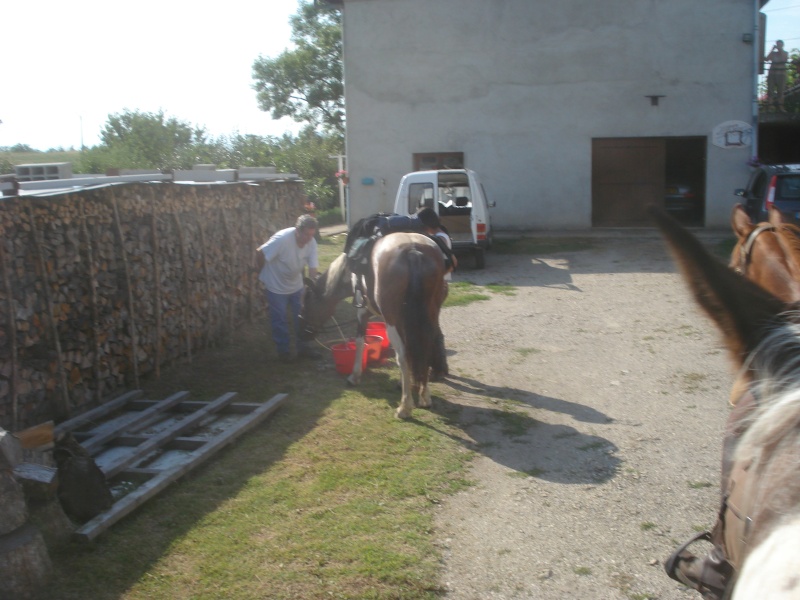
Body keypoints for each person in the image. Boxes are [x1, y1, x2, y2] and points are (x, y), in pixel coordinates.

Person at [256, 214, 321, 362]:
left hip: (295, 285)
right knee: (279, 319)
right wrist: (262, 273)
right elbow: (260, 252)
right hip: (275, 286)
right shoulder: (282, 239)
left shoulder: (311, 243)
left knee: (302, 317)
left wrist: (311, 286)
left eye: (312, 235)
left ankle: (303, 348)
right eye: (306, 234)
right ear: (297, 230)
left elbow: (313, 268)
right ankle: (283, 352)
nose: (308, 238)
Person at [765, 39, 789, 112]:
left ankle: (781, 107)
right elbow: (767, 59)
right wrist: (772, 50)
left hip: (781, 74)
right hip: (772, 73)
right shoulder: (773, 53)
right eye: (777, 44)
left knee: (781, 91)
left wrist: (780, 50)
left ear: (782, 45)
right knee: (770, 90)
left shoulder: (785, 53)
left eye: (780, 45)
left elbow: (785, 59)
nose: (778, 46)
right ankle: (770, 107)